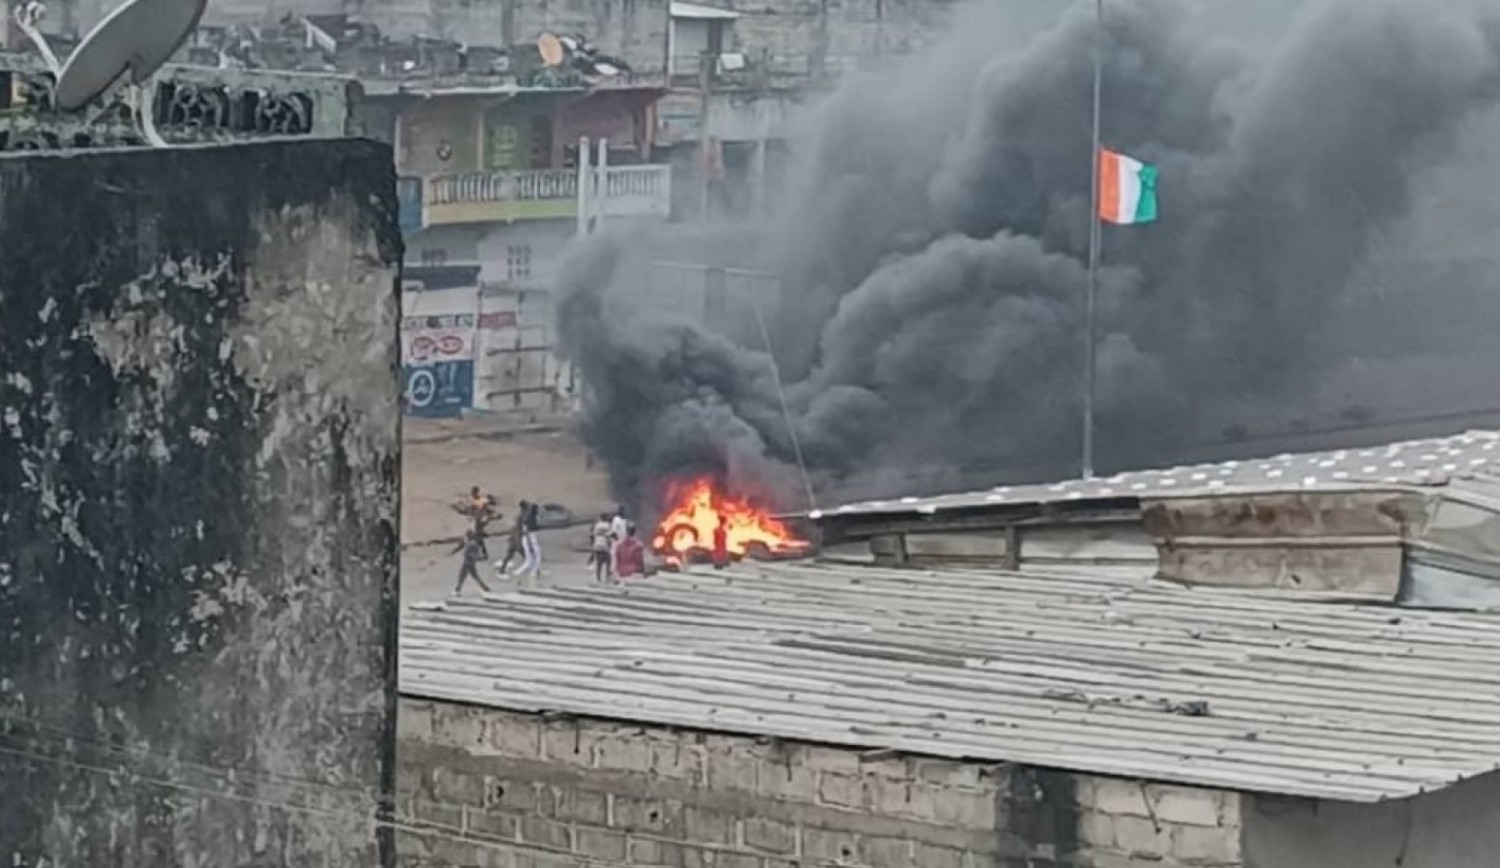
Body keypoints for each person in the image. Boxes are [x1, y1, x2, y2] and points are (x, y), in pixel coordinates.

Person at [452, 529, 492, 595]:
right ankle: (485, 588)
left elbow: (473, 555)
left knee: (462, 576)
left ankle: (457, 590)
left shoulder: (472, 544)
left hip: (468, 563)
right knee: (472, 576)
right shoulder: (471, 542)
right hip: (469, 562)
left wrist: (480, 558)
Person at [513, 501, 543, 581]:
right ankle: (523, 572)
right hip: (530, 538)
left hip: (528, 538)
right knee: (533, 558)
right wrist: (530, 544)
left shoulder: (528, 517)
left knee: (532, 558)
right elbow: (528, 531)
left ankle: (531, 572)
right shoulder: (531, 520)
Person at [495, 501, 527, 575]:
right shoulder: (522, 517)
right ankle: (535, 571)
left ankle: (502, 569)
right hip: (516, 540)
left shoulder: (521, 516)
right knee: (526, 556)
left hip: (513, 539)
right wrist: (518, 542)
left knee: (509, 556)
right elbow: (518, 532)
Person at [590, 512, 613, 582]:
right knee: (608, 562)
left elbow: (593, 535)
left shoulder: (597, 525)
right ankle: (607, 577)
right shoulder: (608, 525)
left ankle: (598, 578)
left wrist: (593, 544)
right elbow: (609, 536)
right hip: (604, 545)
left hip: (597, 545)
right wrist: (610, 546)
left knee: (599, 563)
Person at [608, 506, 629, 572]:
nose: (623, 513)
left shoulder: (625, 520)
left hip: (623, 542)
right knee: (614, 558)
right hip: (616, 542)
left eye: (623, 511)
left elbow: (626, 531)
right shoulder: (616, 519)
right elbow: (613, 532)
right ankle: (612, 572)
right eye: (621, 511)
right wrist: (617, 541)